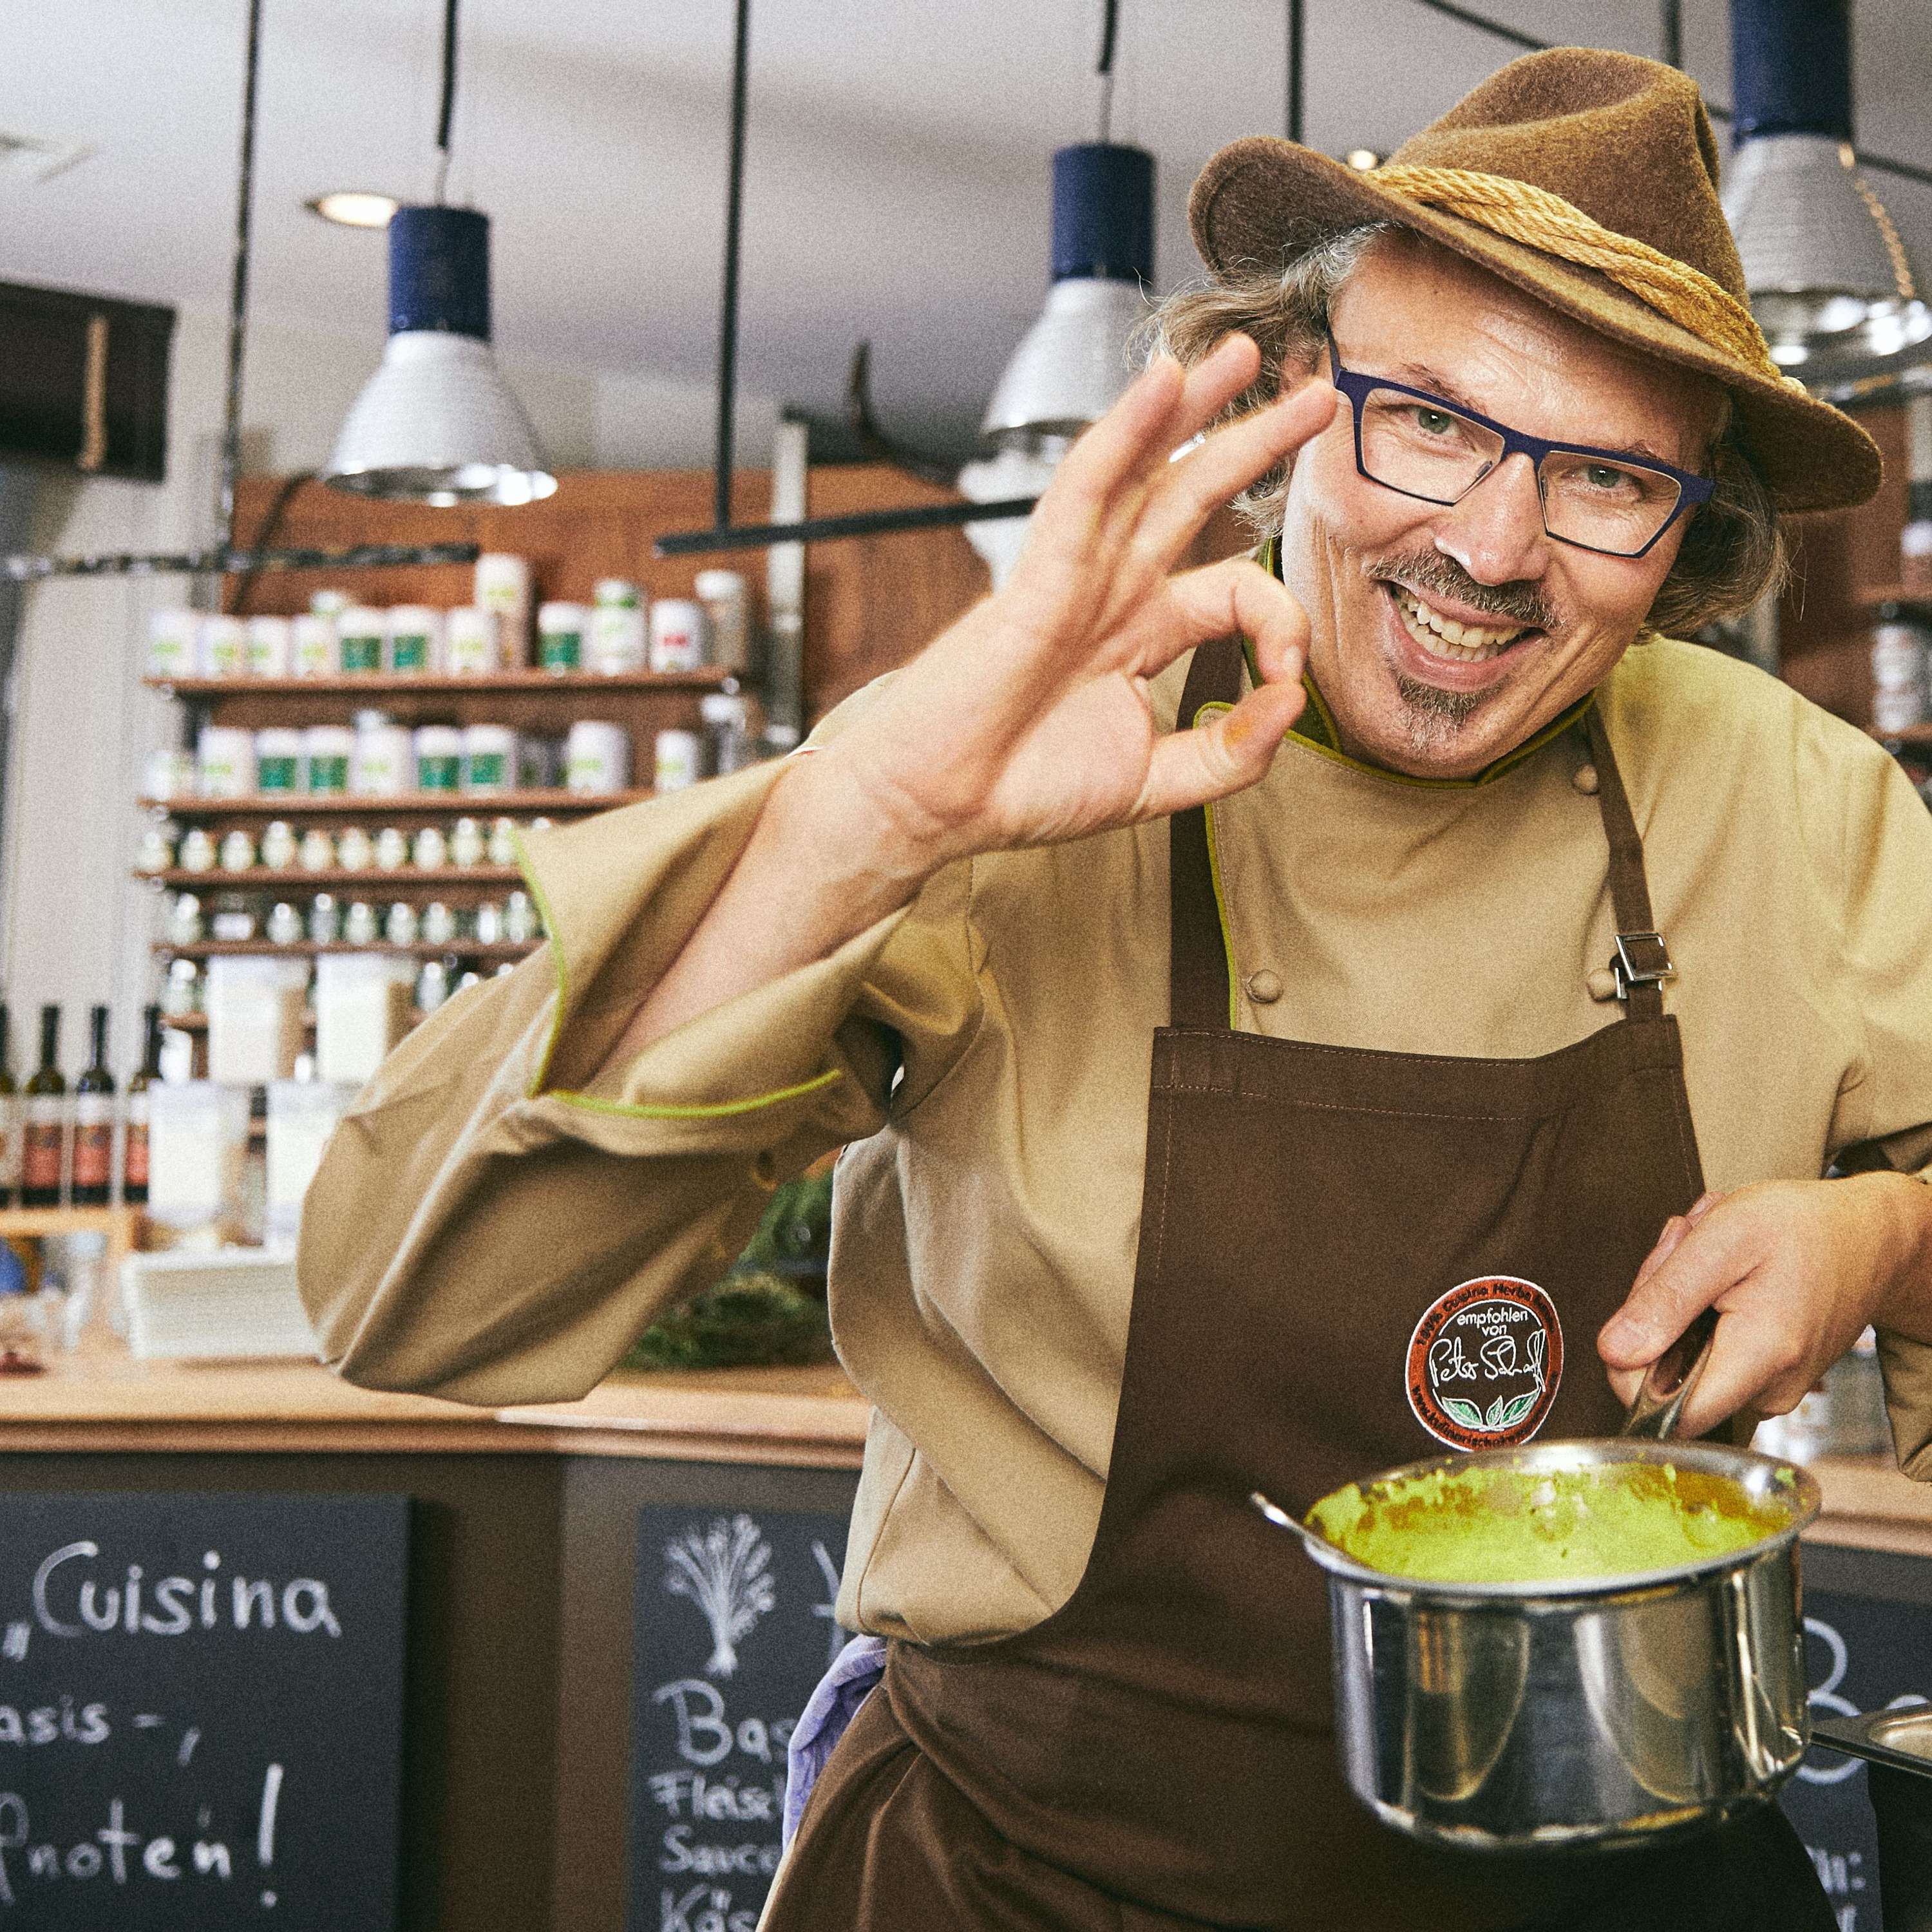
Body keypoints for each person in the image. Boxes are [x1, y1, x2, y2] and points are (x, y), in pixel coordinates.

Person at [299, 48, 1932, 1931]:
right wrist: (868, 819)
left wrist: (1887, 1237)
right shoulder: (1024, 746)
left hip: (1626, 1883)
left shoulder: (1803, 802)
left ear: (1692, 533)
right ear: (1299, 401)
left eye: (1607, 481)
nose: (1492, 547)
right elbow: (404, 1309)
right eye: (1433, 424)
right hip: (1037, 1875)